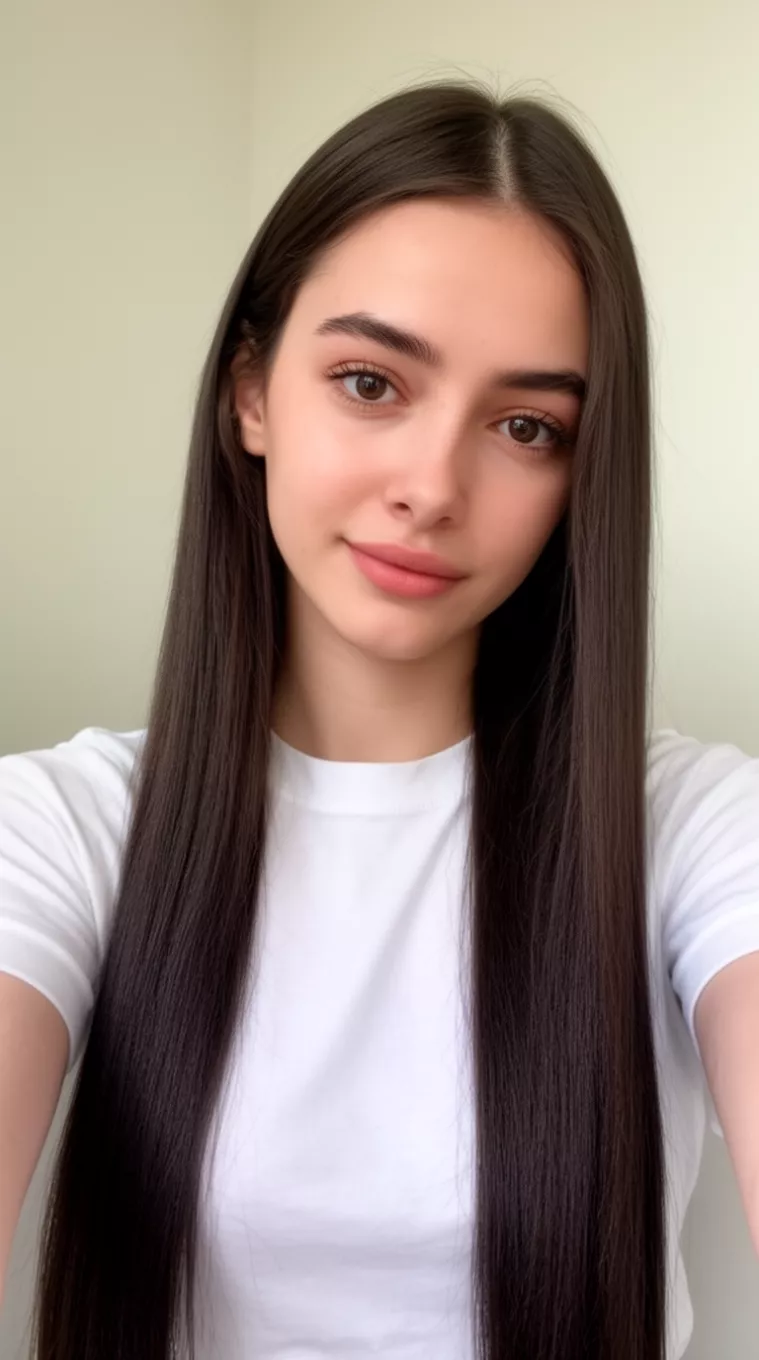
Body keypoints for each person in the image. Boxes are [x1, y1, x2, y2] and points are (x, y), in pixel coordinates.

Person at [0, 78, 757, 1360]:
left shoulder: (689, 830)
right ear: (251, 393)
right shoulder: (63, 830)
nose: (431, 485)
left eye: (527, 426)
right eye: (369, 381)